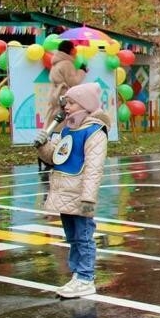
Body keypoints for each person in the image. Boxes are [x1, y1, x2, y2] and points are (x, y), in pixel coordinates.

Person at [35, 82, 110, 298]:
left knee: (84, 236)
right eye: (65, 102)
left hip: (80, 195)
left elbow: (94, 168)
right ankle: (77, 275)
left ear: (84, 103)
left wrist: (88, 198)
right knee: (73, 237)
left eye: (71, 102)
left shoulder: (95, 131)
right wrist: (43, 145)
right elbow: (55, 157)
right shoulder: (67, 128)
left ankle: (86, 278)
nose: (66, 106)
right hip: (64, 192)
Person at [46, 40, 85, 126]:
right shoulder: (67, 64)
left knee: (52, 116)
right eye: (73, 48)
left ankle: (46, 136)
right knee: (62, 117)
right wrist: (82, 71)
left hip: (54, 93)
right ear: (71, 50)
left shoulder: (56, 63)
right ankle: (58, 137)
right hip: (62, 95)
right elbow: (74, 82)